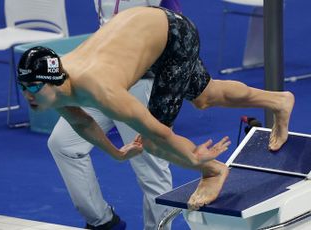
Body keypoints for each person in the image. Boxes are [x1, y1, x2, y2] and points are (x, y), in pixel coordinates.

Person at [17, 5, 294, 221]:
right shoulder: (57, 87)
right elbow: (81, 120)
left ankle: (213, 172)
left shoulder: (102, 91)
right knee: (205, 96)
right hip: (147, 28)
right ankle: (279, 101)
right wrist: (116, 153)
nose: (28, 94)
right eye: (24, 86)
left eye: (34, 86)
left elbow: (159, 131)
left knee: (151, 144)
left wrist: (194, 156)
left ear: (54, 81)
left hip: (172, 37)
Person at [47, 1, 181, 230]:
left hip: (139, 81)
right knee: (63, 144)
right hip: (99, 78)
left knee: (150, 165)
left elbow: (175, 26)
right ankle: (103, 222)